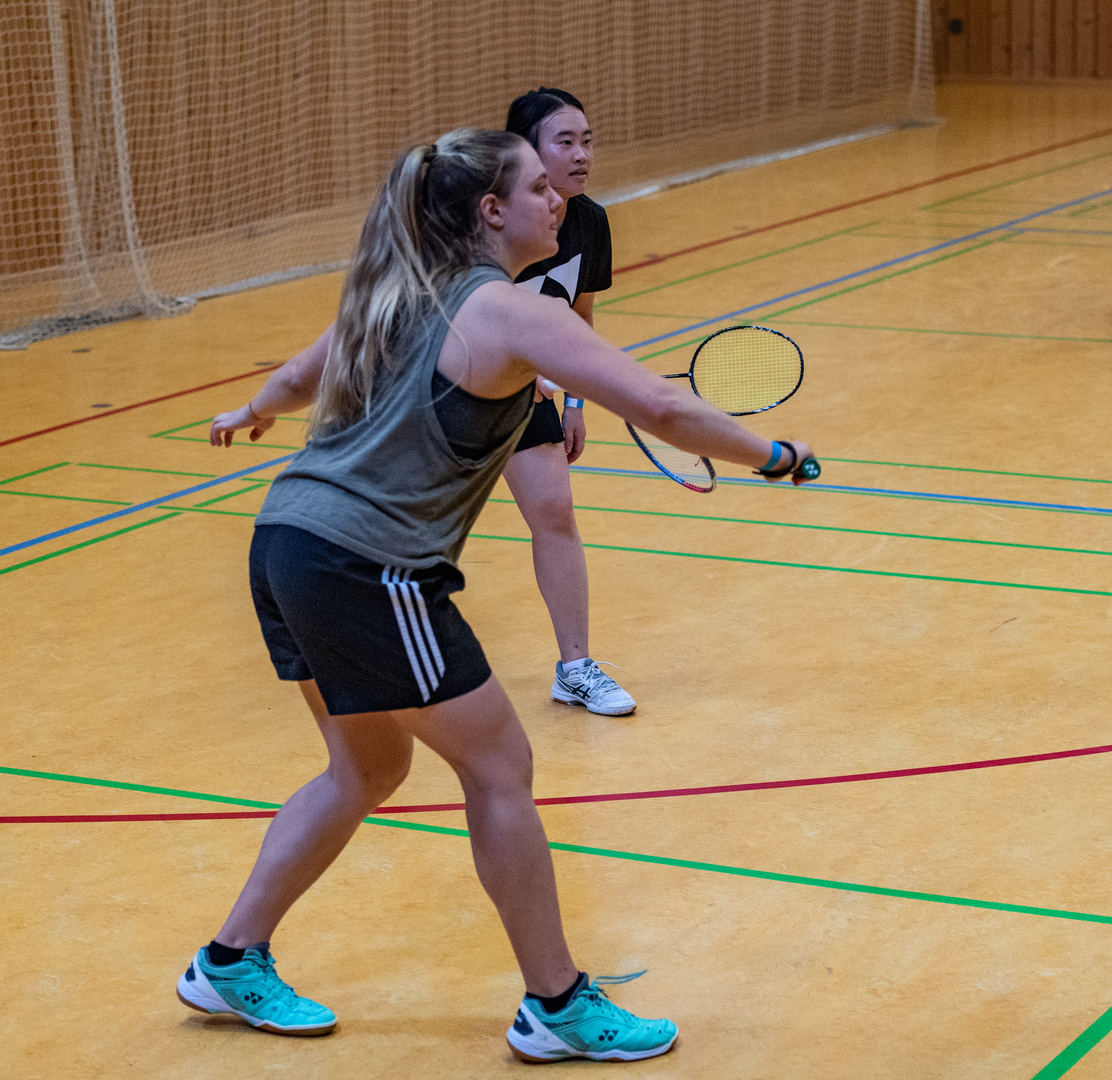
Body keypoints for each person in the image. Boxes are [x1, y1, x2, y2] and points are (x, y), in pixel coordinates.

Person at [180, 127, 817, 1063]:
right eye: (537, 186)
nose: (557, 196)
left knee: (367, 770)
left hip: (286, 543)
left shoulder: (393, 289)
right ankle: (556, 1003)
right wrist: (773, 455)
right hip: (368, 566)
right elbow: (666, 409)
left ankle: (229, 961)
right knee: (499, 769)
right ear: (492, 212)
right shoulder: (512, 311)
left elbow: (295, 375)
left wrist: (252, 412)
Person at [502, 87, 634, 717]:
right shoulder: (491, 219)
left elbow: (579, 315)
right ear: (525, 153)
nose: (582, 155)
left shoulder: (590, 221)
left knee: (554, 510)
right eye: (565, 142)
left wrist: (575, 400)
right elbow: (451, 313)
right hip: (447, 388)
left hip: (525, 396)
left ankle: (575, 667)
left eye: (587, 141)